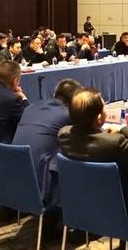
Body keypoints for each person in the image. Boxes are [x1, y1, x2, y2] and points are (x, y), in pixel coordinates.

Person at [58, 88, 128, 215]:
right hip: (119, 210)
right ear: (99, 118)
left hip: (81, 207)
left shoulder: (63, 135)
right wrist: (122, 128)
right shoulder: (114, 142)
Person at [13, 78, 82, 208]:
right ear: (75, 101)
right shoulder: (67, 114)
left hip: (13, 182)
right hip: (41, 188)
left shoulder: (30, 108)